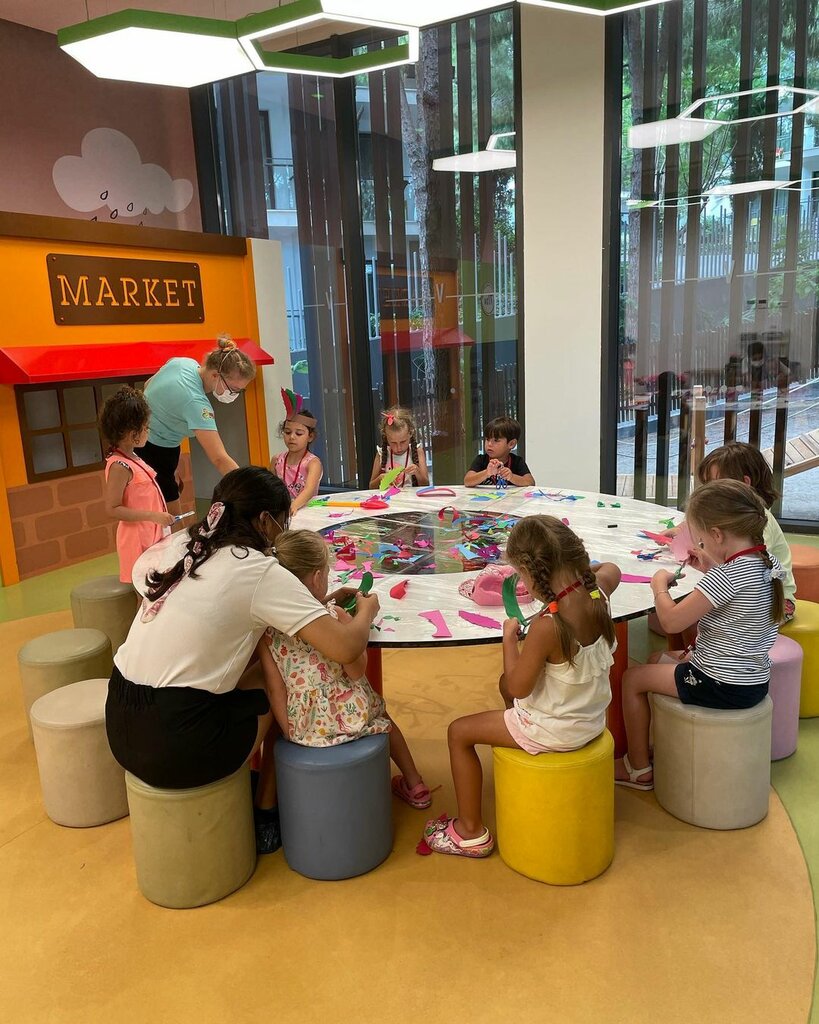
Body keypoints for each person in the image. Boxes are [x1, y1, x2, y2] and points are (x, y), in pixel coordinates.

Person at [105, 467, 380, 854]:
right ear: (266, 520)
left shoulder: (185, 542)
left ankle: (253, 778)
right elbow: (346, 648)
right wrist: (366, 611)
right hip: (177, 745)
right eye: (283, 521)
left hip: (121, 718)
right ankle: (267, 809)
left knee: (253, 661)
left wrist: (317, 607)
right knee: (283, 678)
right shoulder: (257, 569)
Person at [423, 516, 621, 858]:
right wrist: (580, 574)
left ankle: (469, 831)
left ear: (530, 572)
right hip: (590, 719)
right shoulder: (597, 591)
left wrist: (508, 639)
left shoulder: (548, 625)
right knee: (503, 687)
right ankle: (516, 737)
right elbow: (611, 569)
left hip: (556, 731)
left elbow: (518, 687)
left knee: (459, 732)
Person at [615, 480, 784, 791]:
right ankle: (656, 743)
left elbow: (671, 621)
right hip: (754, 678)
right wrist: (708, 564)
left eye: (702, 540)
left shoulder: (726, 576)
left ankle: (637, 768)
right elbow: (737, 602)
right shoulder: (766, 562)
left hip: (720, 684)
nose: (700, 546)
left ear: (717, 534)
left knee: (632, 678)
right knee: (656, 658)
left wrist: (659, 587)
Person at [257, 529, 431, 809]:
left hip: (303, 726)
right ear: (317, 578)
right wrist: (361, 616)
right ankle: (415, 783)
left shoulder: (266, 630)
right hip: (352, 715)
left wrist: (291, 732)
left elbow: (275, 687)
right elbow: (357, 669)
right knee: (383, 715)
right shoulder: (335, 616)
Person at [137, 335, 256, 514]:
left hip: (144, 436)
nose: (235, 395)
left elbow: (148, 385)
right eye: (234, 389)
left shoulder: (184, 363)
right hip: (155, 448)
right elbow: (219, 458)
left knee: (165, 495)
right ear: (215, 375)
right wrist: (252, 487)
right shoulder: (196, 403)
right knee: (170, 512)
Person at [695, 442, 796, 619]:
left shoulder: (758, 520)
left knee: (694, 613)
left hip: (774, 603)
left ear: (744, 483)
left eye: (715, 484)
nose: (707, 492)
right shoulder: (730, 514)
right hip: (747, 594)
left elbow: (745, 568)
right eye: (706, 484)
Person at [100, 385, 175, 585]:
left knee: (158, 587)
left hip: (151, 534)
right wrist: (153, 516)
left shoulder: (134, 458)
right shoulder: (119, 465)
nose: (148, 431)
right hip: (137, 540)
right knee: (145, 590)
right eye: (146, 427)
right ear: (132, 432)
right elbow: (112, 508)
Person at [270, 388, 323, 515]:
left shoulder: (313, 463)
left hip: (307, 512)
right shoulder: (276, 460)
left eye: (298, 433)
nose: (292, 437)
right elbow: (270, 487)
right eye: (287, 432)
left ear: (310, 437)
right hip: (282, 512)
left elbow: (309, 490)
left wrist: (292, 507)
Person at [464, 416, 535, 488]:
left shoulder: (517, 461)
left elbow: (530, 482)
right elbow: (467, 481)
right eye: (487, 439)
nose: (489, 444)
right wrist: (486, 473)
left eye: (496, 440)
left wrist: (512, 477)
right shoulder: (481, 460)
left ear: (511, 444)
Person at [369, 407, 429, 489]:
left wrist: (417, 472)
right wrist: (380, 478)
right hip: (389, 496)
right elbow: (371, 486)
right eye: (393, 443)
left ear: (410, 433)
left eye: (403, 442)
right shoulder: (381, 454)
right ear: (386, 437)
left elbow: (426, 484)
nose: (399, 448)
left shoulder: (418, 451)